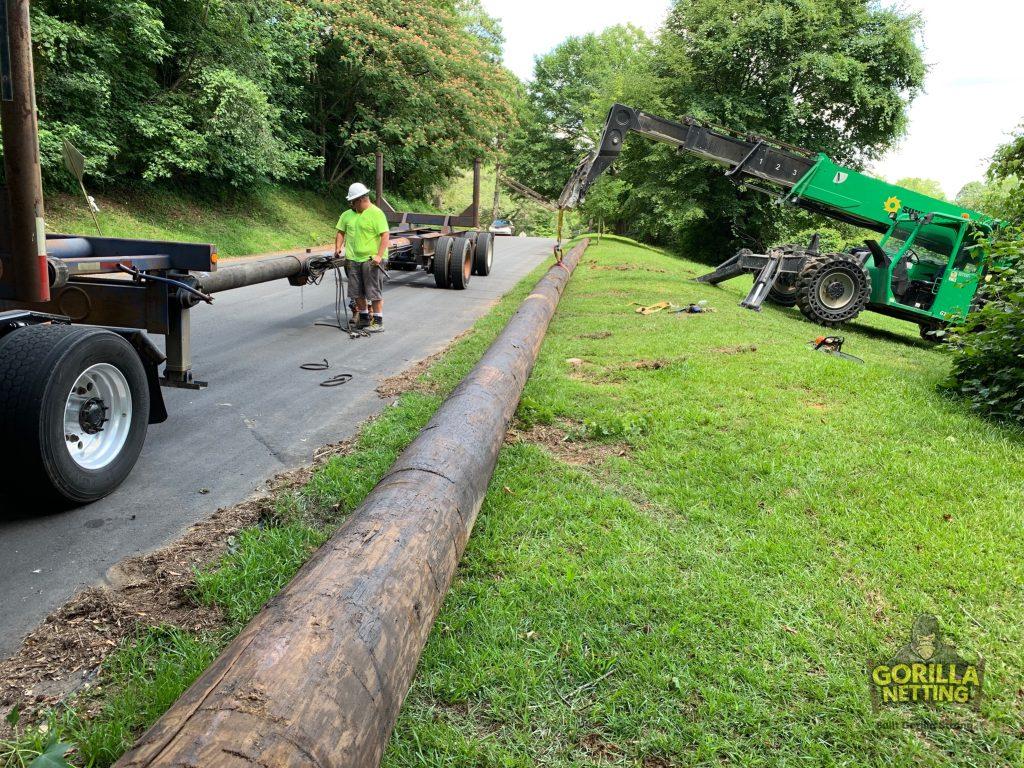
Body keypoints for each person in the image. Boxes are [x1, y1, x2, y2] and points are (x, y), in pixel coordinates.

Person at [335, 182, 390, 332]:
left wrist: (379, 256)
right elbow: (340, 232)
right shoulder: (347, 215)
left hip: (371, 260)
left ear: (361, 199)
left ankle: (378, 321)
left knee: (373, 291)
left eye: (353, 201)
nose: (351, 204)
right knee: (356, 291)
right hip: (353, 260)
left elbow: (385, 235)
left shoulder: (376, 213)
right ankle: (364, 319)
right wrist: (338, 248)